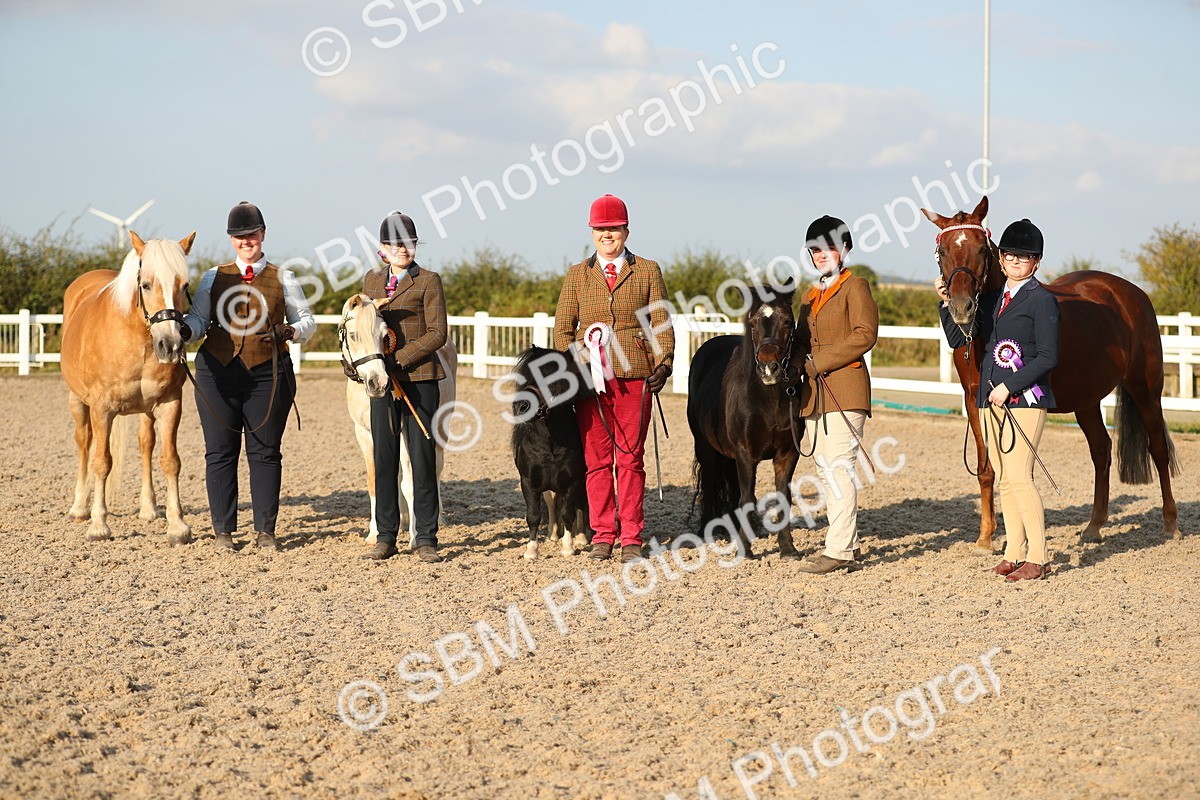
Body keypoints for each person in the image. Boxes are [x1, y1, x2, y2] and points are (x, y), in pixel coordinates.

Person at [180, 201, 316, 551]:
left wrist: (290, 332)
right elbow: (198, 320)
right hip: (217, 372)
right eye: (239, 237)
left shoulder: (283, 277)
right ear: (231, 240)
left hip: (267, 373)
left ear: (262, 235)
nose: (246, 241)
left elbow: (307, 321)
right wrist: (182, 332)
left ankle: (265, 531)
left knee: (265, 451)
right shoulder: (214, 277)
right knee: (219, 452)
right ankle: (223, 531)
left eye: (251, 235)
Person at [936, 218, 1059, 582]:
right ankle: (1014, 550)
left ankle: (1038, 555)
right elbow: (961, 340)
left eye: (1026, 257)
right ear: (1000, 259)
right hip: (992, 401)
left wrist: (1009, 387)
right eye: (1011, 256)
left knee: (1021, 477)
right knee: (1004, 478)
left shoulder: (1042, 300)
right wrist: (945, 304)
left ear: (1036, 262)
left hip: (1025, 399)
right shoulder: (991, 300)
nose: (1017, 261)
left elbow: (1048, 357)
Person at [554, 194, 674, 564]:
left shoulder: (648, 270)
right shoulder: (577, 274)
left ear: (626, 230)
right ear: (592, 232)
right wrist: (577, 359)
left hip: (634, 376)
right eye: (602, 229)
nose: (609, 235)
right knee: (596, 460)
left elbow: (661, 322)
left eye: (615, 228)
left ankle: (632, 535)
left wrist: (664, 362)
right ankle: (603, 533)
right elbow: (562, 329)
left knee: (631, 458)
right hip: (591, 382)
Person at [361, 211, 448, 563]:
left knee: (422, 457)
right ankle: (385, 535)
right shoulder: (370, 281)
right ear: (383, 248)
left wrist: (400, 360)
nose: (403, 249)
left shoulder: (428, 280)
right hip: (383, 384)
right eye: (396, 244)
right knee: (384, 457)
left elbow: (437, 333)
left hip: (420, 379)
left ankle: (425, 535)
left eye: (409, 243)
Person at [795, 215, 879, 574]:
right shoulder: (810, 295)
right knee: (825, 468)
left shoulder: (855, 286)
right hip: (815, 394)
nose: (820, 255)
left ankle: (840, 550)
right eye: (815, 250)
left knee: (839, 467)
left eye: (827, 248)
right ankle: (843, 541)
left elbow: (865, 334)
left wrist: (818, 363)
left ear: (844, 249)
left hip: (845, 387)